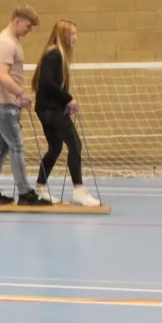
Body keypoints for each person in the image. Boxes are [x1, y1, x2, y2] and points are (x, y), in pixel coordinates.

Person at [0, 4, 50, 206]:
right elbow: (2, 75)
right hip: (2, 102)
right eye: (28, 26)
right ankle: (25, 192)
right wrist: (20, 93)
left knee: (2, 147)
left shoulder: (10, 41)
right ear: (17, 20)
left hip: (0, 101)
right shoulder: (6, 43)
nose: (29, 30)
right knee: (16, 145)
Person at [32, 20, 100, 207]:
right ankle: (78, 191)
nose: (76, 38)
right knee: (75, 144)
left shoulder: (57, 54)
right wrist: (68, 99)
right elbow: (47, 82)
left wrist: (64, 102)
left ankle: (39, 189)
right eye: (72, 34)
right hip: (50, 110)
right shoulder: (54, 53)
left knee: (55, 148)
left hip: (50, 108)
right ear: (63, 35)